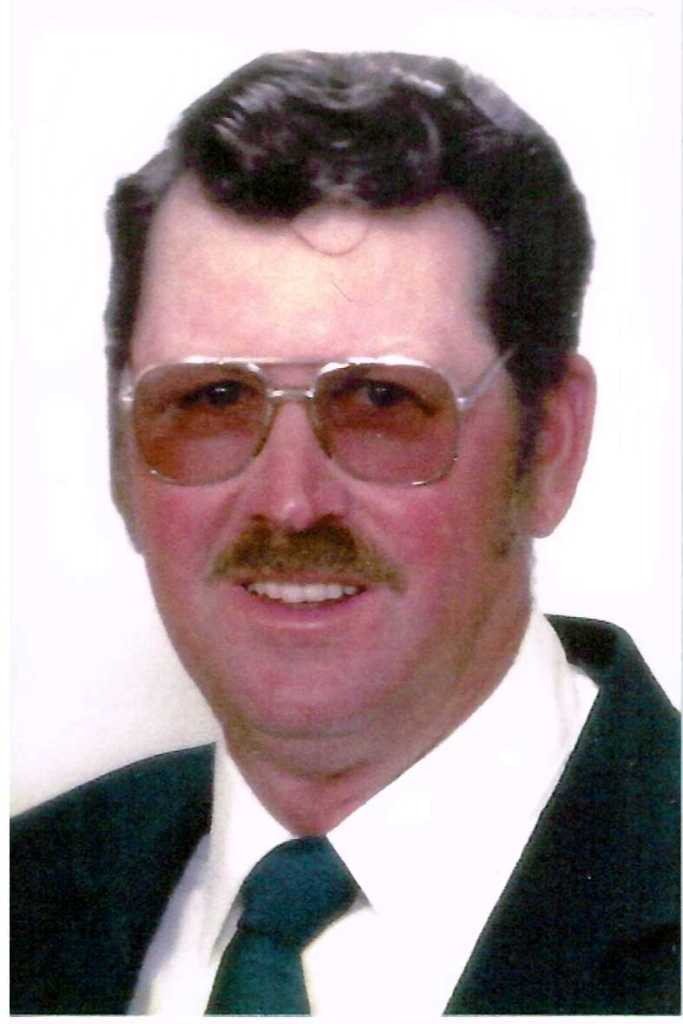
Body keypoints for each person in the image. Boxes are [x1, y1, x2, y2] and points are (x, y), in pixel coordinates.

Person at [11, 49, 679, 1016]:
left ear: (550, 446)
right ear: (121, 455)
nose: (290, 503)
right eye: (211, 399)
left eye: (381, 401)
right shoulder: (28, 899)